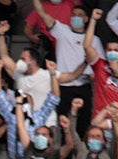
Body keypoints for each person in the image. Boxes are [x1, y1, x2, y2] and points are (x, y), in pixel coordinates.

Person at [31, 0, 100, 133]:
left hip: (83, 86)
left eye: (79, 15)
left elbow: (98, 65)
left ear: (86, 19)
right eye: (73, 14)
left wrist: (93, 76)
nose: (75, 17)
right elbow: (41, 13)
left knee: (84, 125)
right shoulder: (62, 31)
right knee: (64, 125)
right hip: (63, 86)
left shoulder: (94, 40)